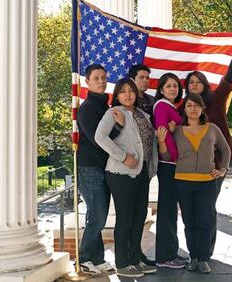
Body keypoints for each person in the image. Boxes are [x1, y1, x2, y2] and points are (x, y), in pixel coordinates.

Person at [184, 38, 232, 257]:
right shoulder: (184, 108)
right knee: (194, 210)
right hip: (191, 168)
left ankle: (206, 251)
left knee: (208, 207)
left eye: (198, 82)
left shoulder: (216, 100)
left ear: (204, 84)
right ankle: (196, 251)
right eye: (191, 82)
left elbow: (228, 78)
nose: (194, 85)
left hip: (217, 164)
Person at [95, 78, 158, 278]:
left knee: (139, 217)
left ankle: (135, 259)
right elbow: (100, 137)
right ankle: (123, 262)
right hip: (121, 172)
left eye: (131, 90)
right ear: (117, 95)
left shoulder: (143, 115)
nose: (128, 94)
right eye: (123, 91)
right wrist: (123, 157)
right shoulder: (114, 113)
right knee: (126, 218)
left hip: (142, 172)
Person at [161, 93, 230, 274]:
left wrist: (222, 169)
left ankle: (203, 258)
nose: (193, 108)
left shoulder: (212, 128)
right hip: (182, 182)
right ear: (184, 109)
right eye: (189, 105)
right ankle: (193, 257)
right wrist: (162, 140)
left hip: (206, 183)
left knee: (205, 221)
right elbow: (168, 156)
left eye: (196, 105)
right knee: (189, 222)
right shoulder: (176, 131)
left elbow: (226, 150)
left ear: (202, 109)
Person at [76, 64, 124, 275]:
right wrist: (119, 127)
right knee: (97, 215)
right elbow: (99, 141)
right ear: (87, 82)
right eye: (96, 78)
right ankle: (84, 258)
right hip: (89, 168)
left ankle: (97, 258)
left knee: (98, 215)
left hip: (103, 168)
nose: (101, 81)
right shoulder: (87, 108)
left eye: (104, 77)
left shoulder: (105, 106)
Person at [152, 73, 188, 269]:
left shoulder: (172, 107)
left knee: (171, 210)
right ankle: (164, 257)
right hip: (168, 165)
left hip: (174, 165)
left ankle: (172, 251)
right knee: (166, 211)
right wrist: (168, 157)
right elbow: (162, 134)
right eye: (168, 86)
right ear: (161, 90)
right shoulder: (162, 106)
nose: (173, 89)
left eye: (175, 85)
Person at [128, 64, 156, 266]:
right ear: (132, 79)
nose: (145, 80)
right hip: (127, 165)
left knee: (140, 212)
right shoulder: (124, 101)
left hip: (146, 163)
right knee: (128, 214)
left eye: (147, 77)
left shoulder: (151, 102)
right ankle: (126, 255)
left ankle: (137, 252)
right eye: (142, 77)